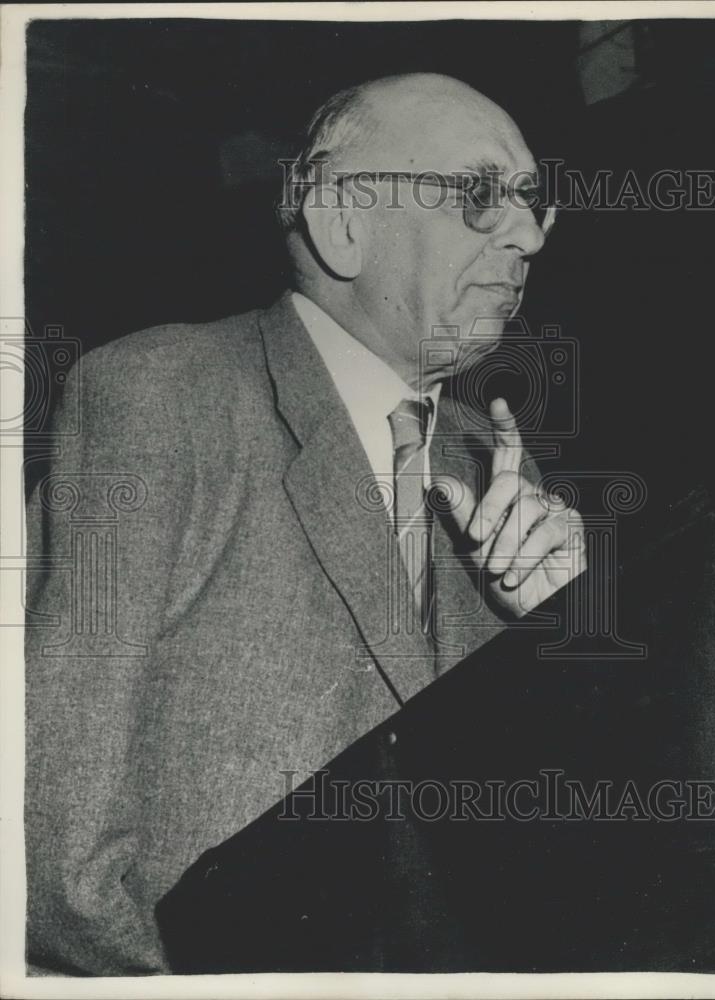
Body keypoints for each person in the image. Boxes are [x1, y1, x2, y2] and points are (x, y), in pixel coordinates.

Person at [25, 73, 585, 975]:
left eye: (532, 203)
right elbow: (52, 824)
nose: (523, 235)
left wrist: (560, 637)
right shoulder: (161, 398)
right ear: (341, 219)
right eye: (481, 194)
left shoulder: (496, 468)